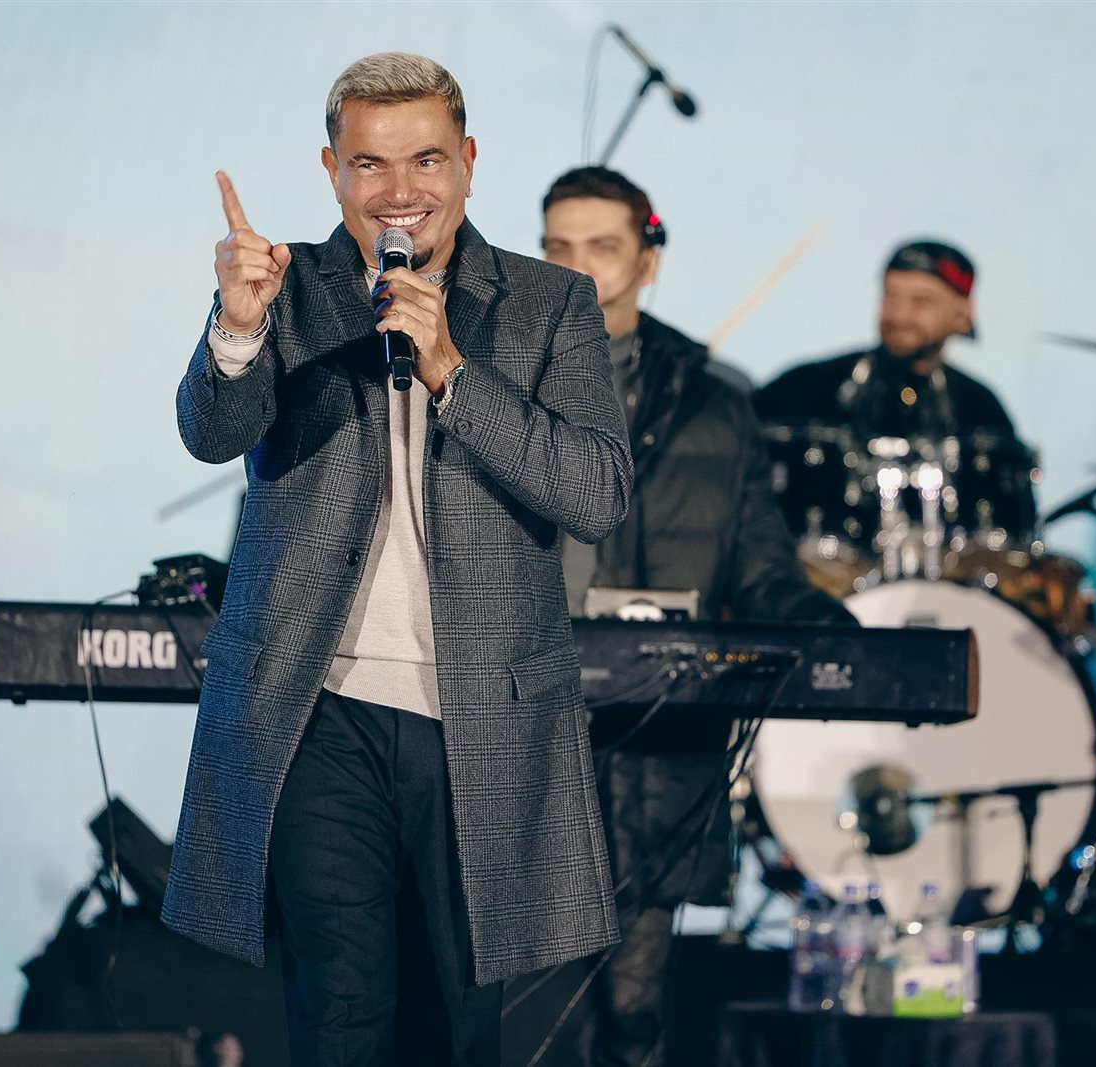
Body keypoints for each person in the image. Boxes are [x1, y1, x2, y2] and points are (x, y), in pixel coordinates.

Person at [160, 54, 633, 1067]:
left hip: (481, 712)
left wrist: (452, 369)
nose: (399, 190)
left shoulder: (549, 302)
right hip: (315, 707)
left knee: (457, 1025)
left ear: (468, 162)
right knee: (343, 1013)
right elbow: (212, 431)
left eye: (425, 159)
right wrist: (236, 328)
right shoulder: (284, 286)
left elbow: (596, 491)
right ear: (332, 170)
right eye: (370, 163)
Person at [540, 166, 853, 1066]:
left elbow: (762, 566)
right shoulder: (488, 377)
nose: (579, 269)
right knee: (509, 1001)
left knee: (632, 1006)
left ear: (648, 260)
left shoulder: (715, 403)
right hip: (524, 726)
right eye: (558, 248)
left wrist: (842, 632)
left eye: (603, 247)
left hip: (657, 744)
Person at [752, 240, 1038, 548]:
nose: (898, 315)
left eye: (921, 302)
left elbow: (1008, 540)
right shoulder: (803, 389)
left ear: (963, 313)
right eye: (890, 297)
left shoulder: (981, 410)